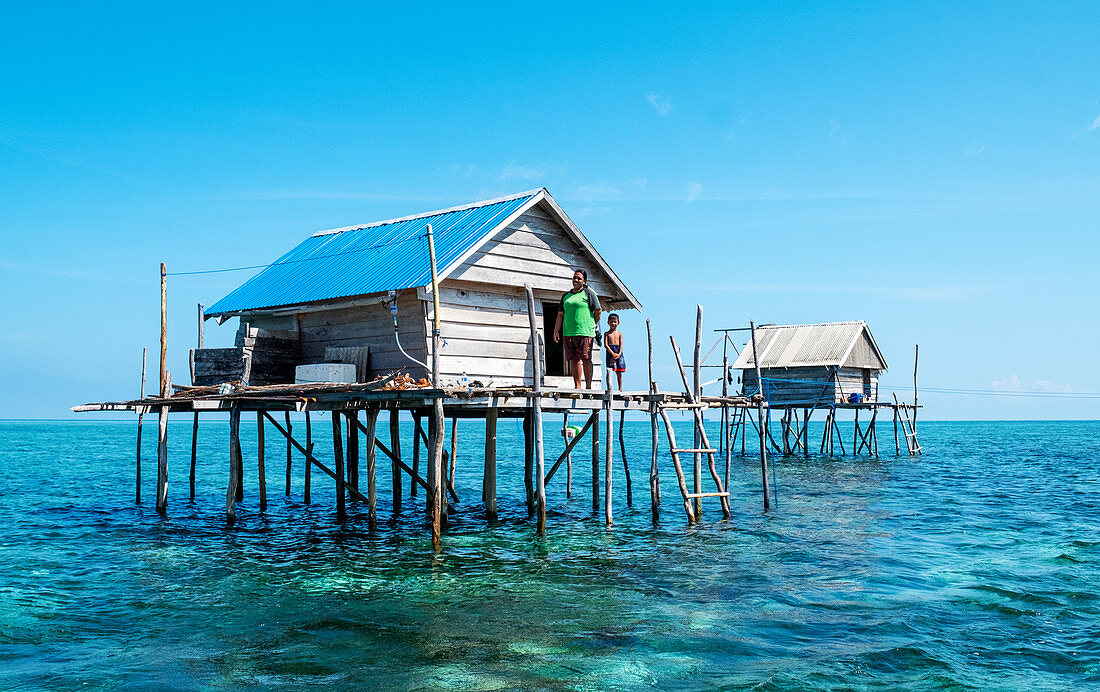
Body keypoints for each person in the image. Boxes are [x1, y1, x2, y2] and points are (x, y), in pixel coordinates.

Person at [552, 269, 601, 389]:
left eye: (579, 278)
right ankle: (577, 386)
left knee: (586, 358)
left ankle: (588, 387)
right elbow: (560, 315)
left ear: (584, 281)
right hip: (569, 332)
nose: (576, 280)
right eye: (574, 277)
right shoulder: (566, 296)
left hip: (585, 332)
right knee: (574, 359)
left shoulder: (589, 294)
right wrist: (556, 331)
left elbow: (598, 311)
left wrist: (591, 324)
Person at [604, 313, 625, 391]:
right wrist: (612, 353)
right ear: (608, 322)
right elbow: (606, 345)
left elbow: (621, 344)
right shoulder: (606, 334)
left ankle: (620, 389)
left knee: (619, 372)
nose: (613, 323)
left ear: (618, 323)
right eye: (611, 321)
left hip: (618, 352)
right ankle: (609, 387)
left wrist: (619, 353)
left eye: (615, 322)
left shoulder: (619, 334)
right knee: (609, 371)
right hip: (610, 352)